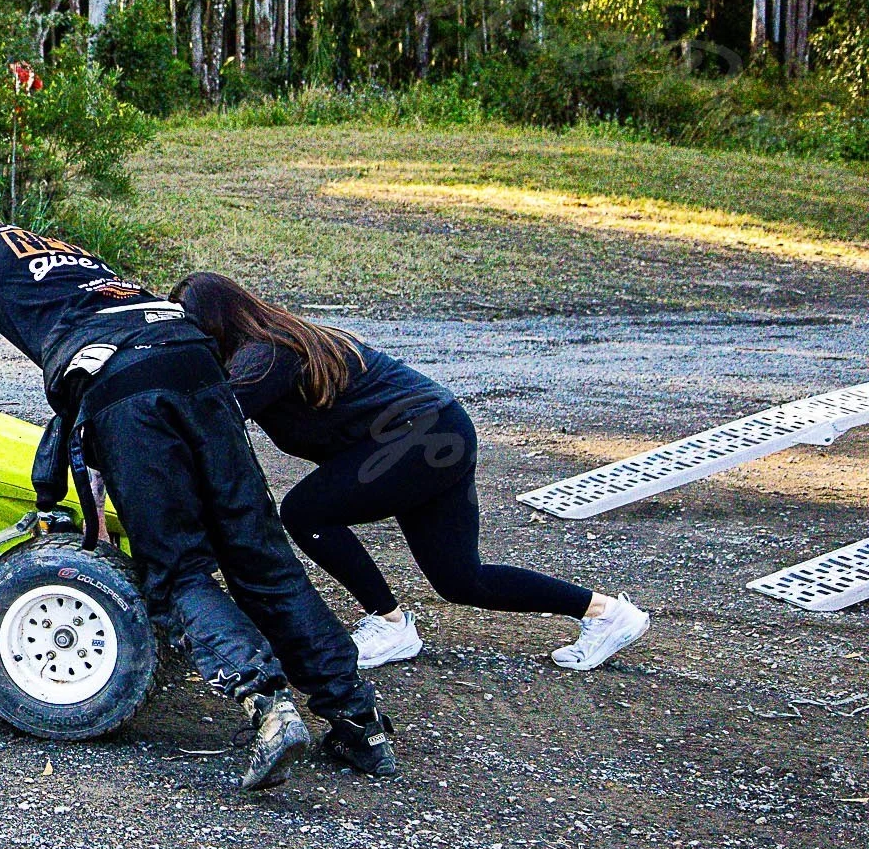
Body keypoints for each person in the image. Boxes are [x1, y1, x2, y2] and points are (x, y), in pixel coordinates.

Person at [0, 195, 399, 792]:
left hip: (127, 388)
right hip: (196, 367)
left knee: (177, 571)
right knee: (259, 550)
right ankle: (359, 722)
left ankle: (268, 705)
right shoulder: (70, 255)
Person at [173, 272, 651, 672]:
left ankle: (389, 622)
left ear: (216, 321)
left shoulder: (265, 354)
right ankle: (608, 613)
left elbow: (213, 419)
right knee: (462, 580)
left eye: (188, 327)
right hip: (440, 431)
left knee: (305, 513)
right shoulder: (278, 340)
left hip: (419, 437)